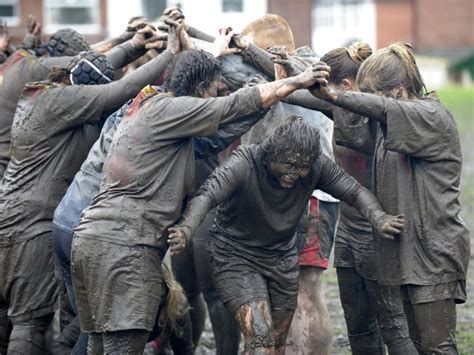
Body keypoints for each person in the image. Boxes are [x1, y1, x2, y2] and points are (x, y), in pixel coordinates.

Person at [71, 42, 328, 353]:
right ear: (202, 88)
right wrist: (294, 82)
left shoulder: (154, 114)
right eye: (214, 90)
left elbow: (215, 138)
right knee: (120, 347)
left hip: (93, 240)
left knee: (99, 346)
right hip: (123, 246)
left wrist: (269, 101)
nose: (215, 96)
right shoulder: (169, 108)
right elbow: (230, 107)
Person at [0, 23, 178, 354]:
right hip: (30, 228)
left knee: (16, 320)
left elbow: (90, 66)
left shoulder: (39, 94)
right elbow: (120, 88)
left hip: (13, 217)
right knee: (29, 323)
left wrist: (135, 44)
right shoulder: (61, 101)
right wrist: (169, 53)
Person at [168, 115, 406, 355]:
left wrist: (379, 217)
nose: (293, 173)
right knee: (261, 340)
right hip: (235, 256)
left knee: (275, 344)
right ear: (271, 153)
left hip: (281, 259)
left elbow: (353, 191)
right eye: (288, 164)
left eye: (301, 167)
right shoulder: (246, 161)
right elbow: (208, 194)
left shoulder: (315, 166)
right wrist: (186, 228)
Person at [310, 42, 470, 354]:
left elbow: (375, 107)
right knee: (420, 344)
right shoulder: (387, 127)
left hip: (433, 252)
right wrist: (289, 78)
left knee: (437, 347)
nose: (364, 101)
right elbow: (338, 109)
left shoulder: (431, 116)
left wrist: (334, 94)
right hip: (408, 251)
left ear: (396, 91)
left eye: (368, 93)